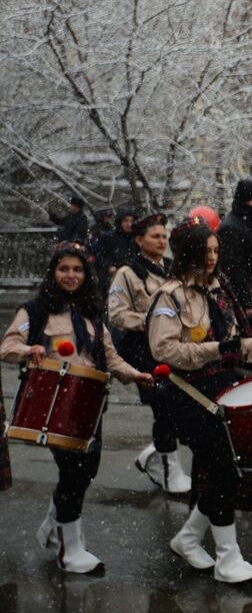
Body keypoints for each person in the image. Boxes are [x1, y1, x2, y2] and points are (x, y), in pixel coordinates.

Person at [1, 242, 153, 572]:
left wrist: (135, 374)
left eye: (78, 270)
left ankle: (53, 526)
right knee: (74, 473)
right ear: (53, 273)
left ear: (87, 274)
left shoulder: (92, 314)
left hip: (90, 406)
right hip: (53, 407)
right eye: (64, 269)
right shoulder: (35, 311)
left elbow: (110, 357)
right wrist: (29, 350)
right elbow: (8, 346)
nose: (71, 275)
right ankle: (71, 550)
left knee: (86, 472)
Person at [149, 217, 252, 581]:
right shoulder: (169, 296)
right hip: (188, 394)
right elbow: (164, 348)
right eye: (207, 250)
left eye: (217, 250)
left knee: (227, 470)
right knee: (222, 468)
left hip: (221, 386)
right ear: (188, 252)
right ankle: (227, 559)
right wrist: (222, 349)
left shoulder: (220, 290)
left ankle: (188, 538)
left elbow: (231, 340)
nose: (213, 257)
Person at [108, 213, 191, 493]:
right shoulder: (127, 273)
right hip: (144, 350)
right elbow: (117, 314)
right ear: (139, 240)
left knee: (182, 406)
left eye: (164, 236)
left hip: (174, 347)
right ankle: (169, 469)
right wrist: (151, 321)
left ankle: (153, 455)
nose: (161, 241)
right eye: (155, 236)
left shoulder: (172, 268)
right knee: (164, 408)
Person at [216, 179, 252, 323]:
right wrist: (248, 302)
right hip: (248, 299)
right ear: (244, 201)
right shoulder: (231, 228)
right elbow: (234, 269)